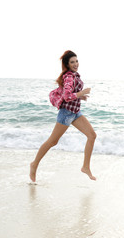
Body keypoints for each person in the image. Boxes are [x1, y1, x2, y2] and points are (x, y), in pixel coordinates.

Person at [29, 50, 97, 182]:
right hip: (66, 113)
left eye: (76, 61)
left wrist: (80, 97)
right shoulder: (69, 76)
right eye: (72, 62)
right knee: (52, 141)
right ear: (67, 64)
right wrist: (80, 93)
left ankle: (85, 167)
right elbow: (67, 96)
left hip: (76, 112)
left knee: (92, 135)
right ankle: (34, 164)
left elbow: (71, 94)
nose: (75, 64)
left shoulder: (75, 75)